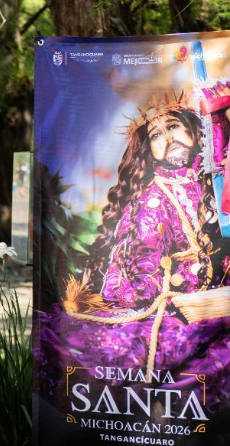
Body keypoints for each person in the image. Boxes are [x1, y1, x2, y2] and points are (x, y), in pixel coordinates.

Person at [42, 93, 229, 403]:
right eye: (156, 135)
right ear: (149, 150)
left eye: (174, 127)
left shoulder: (216, 183)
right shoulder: (151, 202)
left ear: (197, 133)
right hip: (169, 316)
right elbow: (137, 289)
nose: (167, 138)